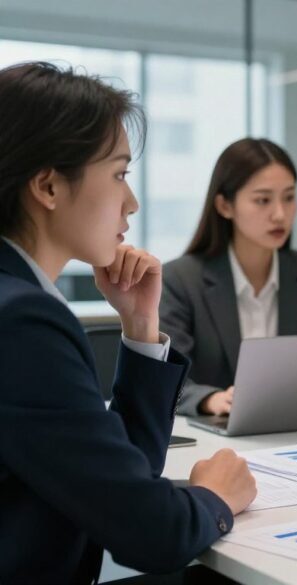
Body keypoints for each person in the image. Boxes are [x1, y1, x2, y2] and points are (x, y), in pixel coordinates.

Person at [0, 62, 256, 583]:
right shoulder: (22, 320)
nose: (132, 203)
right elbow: (154, 535)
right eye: (119, 174)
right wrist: (215, 496)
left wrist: (140, 327)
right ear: (48, 186)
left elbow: (117, 482)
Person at [161, 138, 297, 417]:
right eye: (263, 200)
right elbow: (164, 379)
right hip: (216, 438)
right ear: (224, 206)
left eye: (289, 197)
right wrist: (210, 399)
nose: (280, 214)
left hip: (294, 429)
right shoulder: (181, 279)